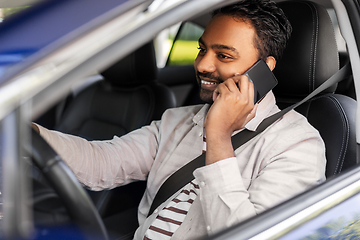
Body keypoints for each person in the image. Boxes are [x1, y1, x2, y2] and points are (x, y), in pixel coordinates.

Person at [33, 0, 326, 239]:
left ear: (264, 68)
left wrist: (219, 137)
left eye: (223, 56)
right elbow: (101, 163)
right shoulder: (178, 121)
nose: (202, 64)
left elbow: (249, 235)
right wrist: (25, 136)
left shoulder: (298, 145)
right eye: (202, 49)